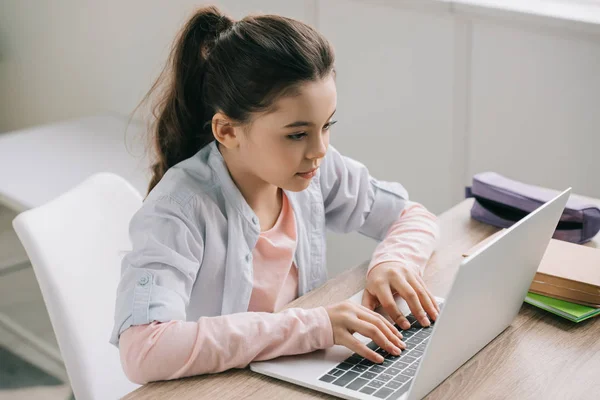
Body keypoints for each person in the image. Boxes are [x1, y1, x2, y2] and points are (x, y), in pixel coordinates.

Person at [111, 5, 439, 384]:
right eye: (297, 134)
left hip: (293, 374)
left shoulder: (315, 168)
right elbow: (144, 351)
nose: (319, 149)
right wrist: (311, 326)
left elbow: (412, 216)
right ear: (227, 131)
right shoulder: (177, 210)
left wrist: (393, 261)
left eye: (326, 125)